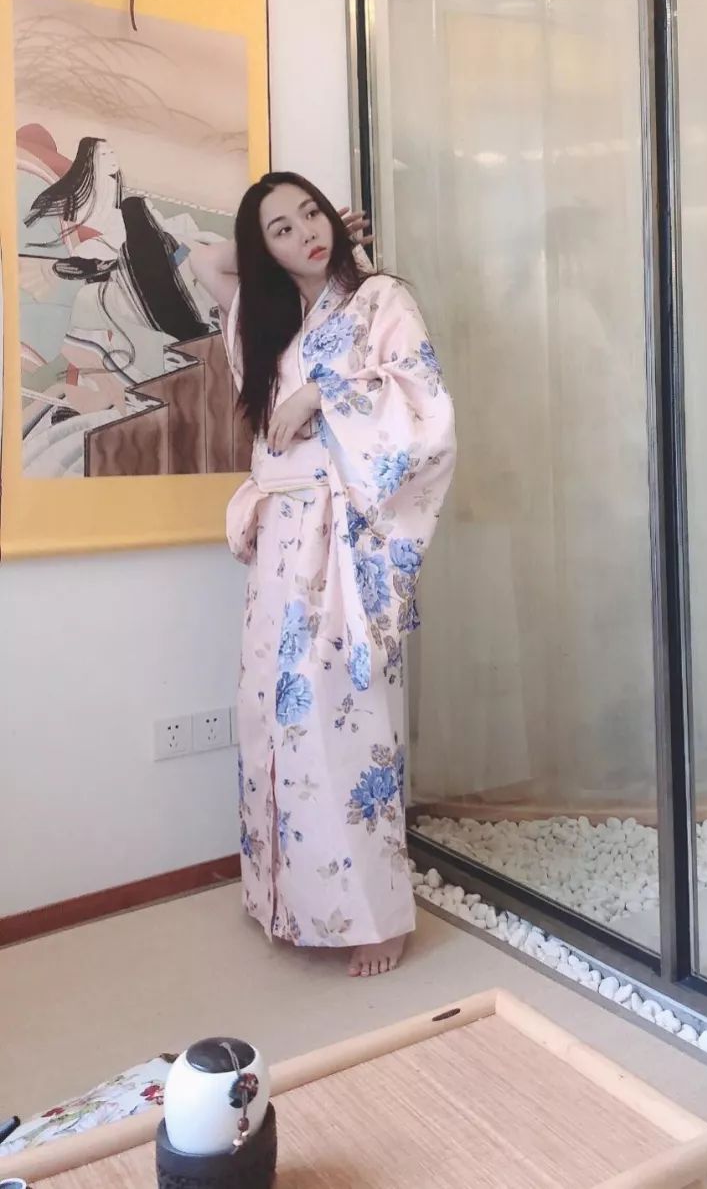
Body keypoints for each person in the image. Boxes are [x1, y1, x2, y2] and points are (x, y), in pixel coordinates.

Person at [188, 172, 455, 977]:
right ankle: (286, 898)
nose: (305, 231)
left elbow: (422, 406)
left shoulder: (380, 300)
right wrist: (273, 244)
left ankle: (376, 918)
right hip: (278, 546)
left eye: (312, 213)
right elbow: (204, 260)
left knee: (345, 717)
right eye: (282, 227)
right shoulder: (264, 316)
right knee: (272, 714)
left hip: (341, 542)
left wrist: (317, 392)